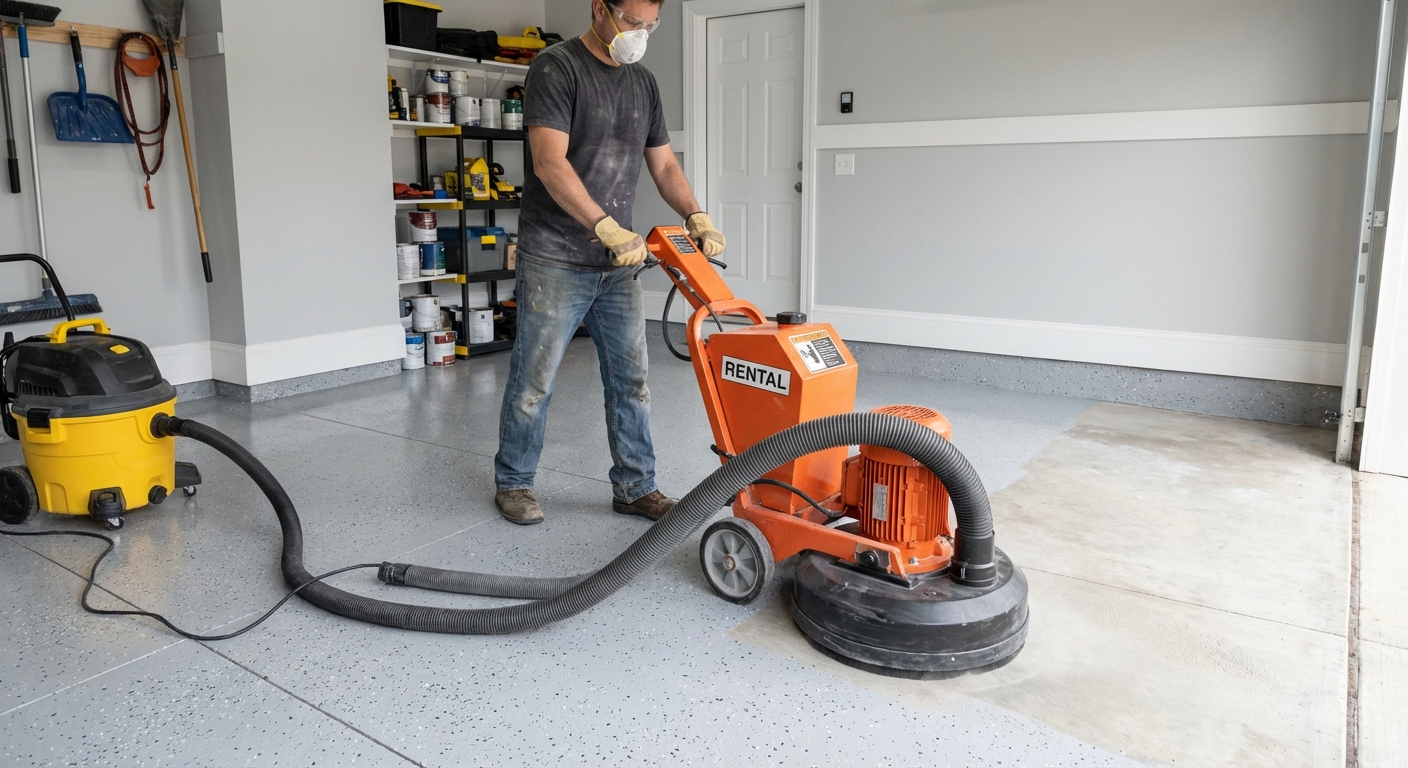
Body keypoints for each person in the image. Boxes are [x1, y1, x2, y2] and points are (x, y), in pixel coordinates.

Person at [493, 0, 727, 526]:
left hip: (618, 266)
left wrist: (697, 214)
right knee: (535, 380)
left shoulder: (642, 83)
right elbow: (549, 162)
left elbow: (664, 162)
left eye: (651, 26)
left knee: (631, 379)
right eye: (632, 22)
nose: (640, 34)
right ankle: (514, 482)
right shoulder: (556, 66)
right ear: (600, 9)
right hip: (556, 256)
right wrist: (604, 225)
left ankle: (635, 487)